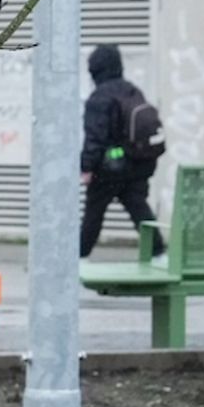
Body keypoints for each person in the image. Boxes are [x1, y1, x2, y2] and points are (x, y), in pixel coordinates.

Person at [80, 42, 166, 260]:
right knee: (138, 207)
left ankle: (78, 255)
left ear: (95, 69)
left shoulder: (99, 97)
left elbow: (95, 137)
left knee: (94, 211)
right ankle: (157, 251)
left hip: (109, 168)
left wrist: (87, 167)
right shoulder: (132, 90)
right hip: (138, 163)